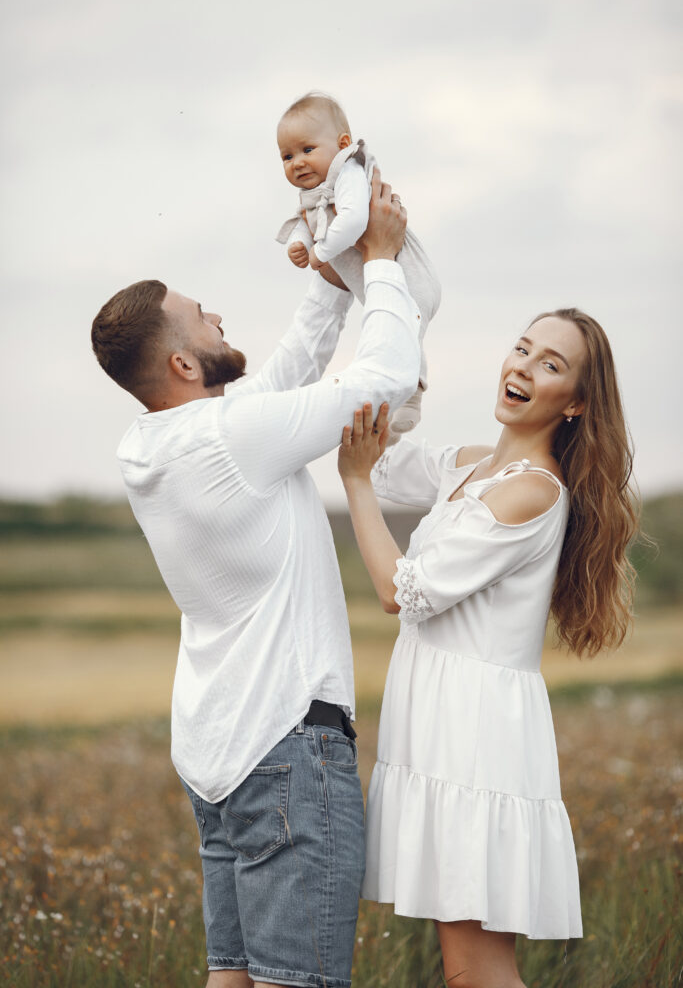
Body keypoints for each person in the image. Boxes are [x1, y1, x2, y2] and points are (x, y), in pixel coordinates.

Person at [90, 173, 422, 988]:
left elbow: (278, 379)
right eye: (204, 318)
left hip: (219, 755)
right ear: (181, 359)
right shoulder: (229, 438)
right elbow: (378, 382)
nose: (219, 318)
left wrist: (326, 282)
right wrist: (381, 264)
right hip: (285, 751)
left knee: (233, 978)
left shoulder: (161, 443)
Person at [337, 309, 638, 988]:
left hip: (475, 742)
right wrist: (396, 343)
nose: (523, 368)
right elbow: (386, 464)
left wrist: (352, 483)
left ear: (577, 403)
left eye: (550, 364)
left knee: (475, 973)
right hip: (441, 729)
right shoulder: (474, 467)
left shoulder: (529, 491)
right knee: (462, 971)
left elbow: (402, 592)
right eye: (522, 349)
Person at [276, 91, 441, 444]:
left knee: (402, 330)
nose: (297, 163)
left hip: (404, 271)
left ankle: (411, 394)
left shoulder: (348, 171)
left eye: (307, 150)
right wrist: (300, 244)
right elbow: (310, 219)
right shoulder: (317, 192)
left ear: (343, 144)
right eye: (287, 156)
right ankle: (387, 417)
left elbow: (352, 220)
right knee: (393, 331)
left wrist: (319, 252)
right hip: (370, 277)